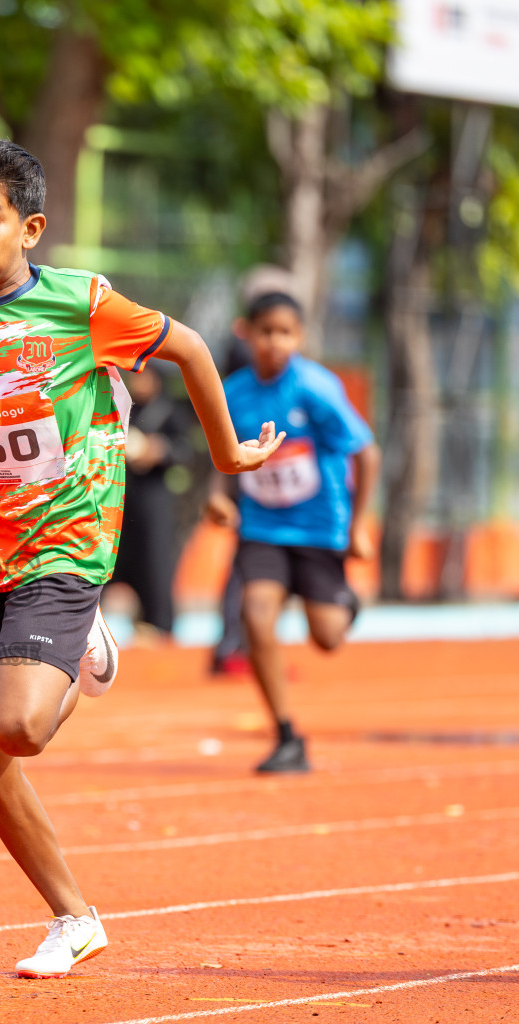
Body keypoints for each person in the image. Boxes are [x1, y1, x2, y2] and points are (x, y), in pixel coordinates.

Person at [0, 138, 283, 979]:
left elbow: (192, 348)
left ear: (31, 227)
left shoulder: (85, 306)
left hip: (67, 535)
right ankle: (74, 918)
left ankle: (85, 638)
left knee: (18, 726)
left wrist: (227, 455)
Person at [203, 291, 380, 774]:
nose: (274, 342)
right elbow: (226, 454)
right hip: (262, 528)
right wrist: (219, 495)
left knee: (328, 637)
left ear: (299, 338)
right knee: (255, 616)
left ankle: (345, 602)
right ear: (247, 333)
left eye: (285, 333)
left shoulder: (315, 388)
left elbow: (366, 453)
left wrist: (359, 526)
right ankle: (286, 735)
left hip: (320, 529)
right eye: (265, 331)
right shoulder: (234, 392)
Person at [210, 265, 298, 677]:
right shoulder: (243, 348)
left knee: (261, 560)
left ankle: (247, 643)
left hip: (265, 464)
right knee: (249, 560)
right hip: (244, 461)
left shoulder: (251, 342)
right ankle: (234, 643)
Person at [112, 364, 192, 638]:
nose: (137, 383)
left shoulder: (171, 410)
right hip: (121, 499)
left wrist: (159, 451)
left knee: (154, 562)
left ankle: (159, 625)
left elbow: (185, 450)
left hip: (155, 501)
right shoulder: (123, 408)